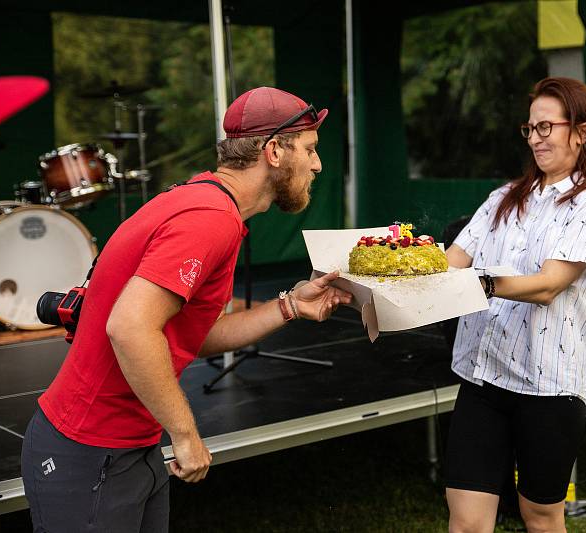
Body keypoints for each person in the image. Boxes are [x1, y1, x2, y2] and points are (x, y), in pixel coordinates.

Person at [20, 86, 352, 532]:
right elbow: (131, 328)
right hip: (89, 449)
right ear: (274, 151)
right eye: (310, 150)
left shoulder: (210, 202)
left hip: (130, 444)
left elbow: (190, 337)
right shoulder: (209, 218)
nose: (317, 164)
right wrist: (186, 434)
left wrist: (291, 306)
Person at [443, 77, 586, 533]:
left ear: (580, 133)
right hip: (482, 377)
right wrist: (385, 270)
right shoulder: (504, 197)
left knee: (541, 518)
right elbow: (448, 265)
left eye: (547, 127)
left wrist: (481, 283)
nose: (536, 138)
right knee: (465, 521)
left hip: (548, 388)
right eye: (530, 128)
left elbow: (548, 285)